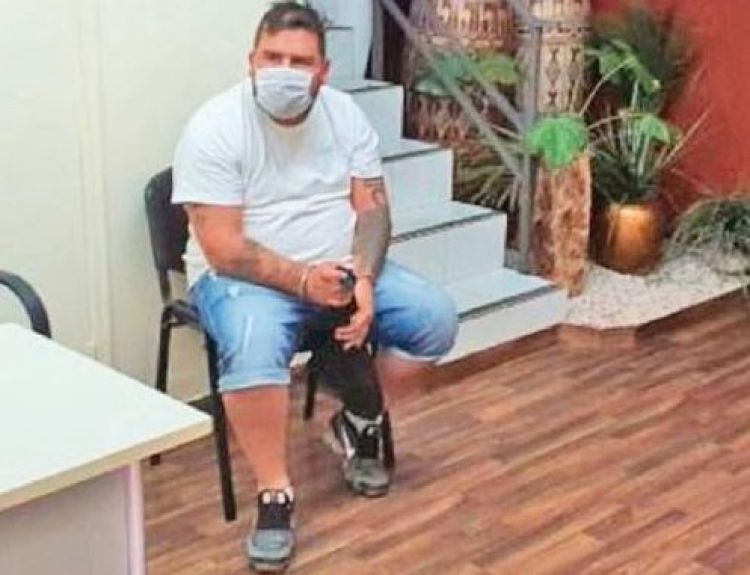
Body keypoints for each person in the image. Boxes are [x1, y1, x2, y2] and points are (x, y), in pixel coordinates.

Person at [172, 2, 458, 571]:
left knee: (435, 318)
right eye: (272, 57)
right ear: (252, 62)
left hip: (340, 269)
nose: (284, 71)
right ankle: (275, 492)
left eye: (300, 61)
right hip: (244, 281)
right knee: (253, 346)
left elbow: (373, 210)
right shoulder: (213, 126)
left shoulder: (345, 115)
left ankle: (357, 418)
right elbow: (223, 247)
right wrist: (304, 281)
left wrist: (365, 277)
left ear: (323, 71)